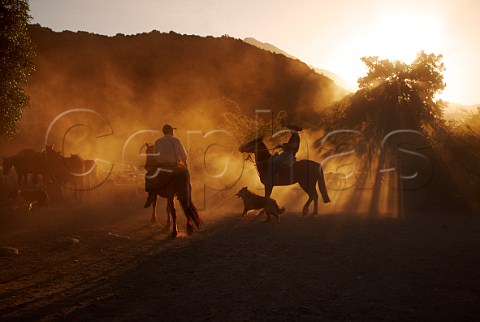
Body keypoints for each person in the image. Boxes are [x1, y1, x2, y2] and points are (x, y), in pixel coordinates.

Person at [144, 124, 188, 208]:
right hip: (174, 167)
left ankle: (150, 195)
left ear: (163, 132)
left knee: (148, 175)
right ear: (170, 131)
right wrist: (184, 161)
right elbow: (184, 156)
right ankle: (182, 193)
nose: (173, 132)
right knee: (185, 178)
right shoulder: (177, 140)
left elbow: (155, 156)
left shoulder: (158, 141)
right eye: (172, 130)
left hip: (161, 167)